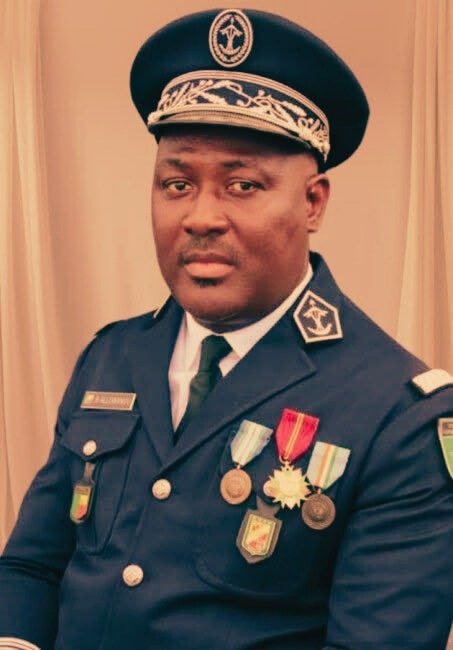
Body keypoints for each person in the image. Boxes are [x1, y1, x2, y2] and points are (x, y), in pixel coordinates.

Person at [0, 8, 452, 650]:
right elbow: (32, 567)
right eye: (176, 183)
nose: (200, 217)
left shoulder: (400, 414)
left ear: (313, 201)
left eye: (242, 185)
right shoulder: (113, 356)